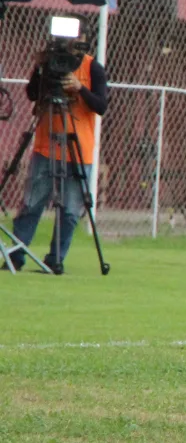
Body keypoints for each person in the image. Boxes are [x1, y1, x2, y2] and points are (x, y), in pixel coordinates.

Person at [7, 29, 109, 274]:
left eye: (77, 41)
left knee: (71, 209)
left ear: (85, 42)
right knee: (31, 203)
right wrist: (42, 68)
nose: (70, 45)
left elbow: (101, 106)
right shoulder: (49, 61)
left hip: (78, 148)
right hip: (45, 145)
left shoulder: (92, 68)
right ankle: (16, 256)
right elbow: (32, 94)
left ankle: (56, 259)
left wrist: (79, 88)